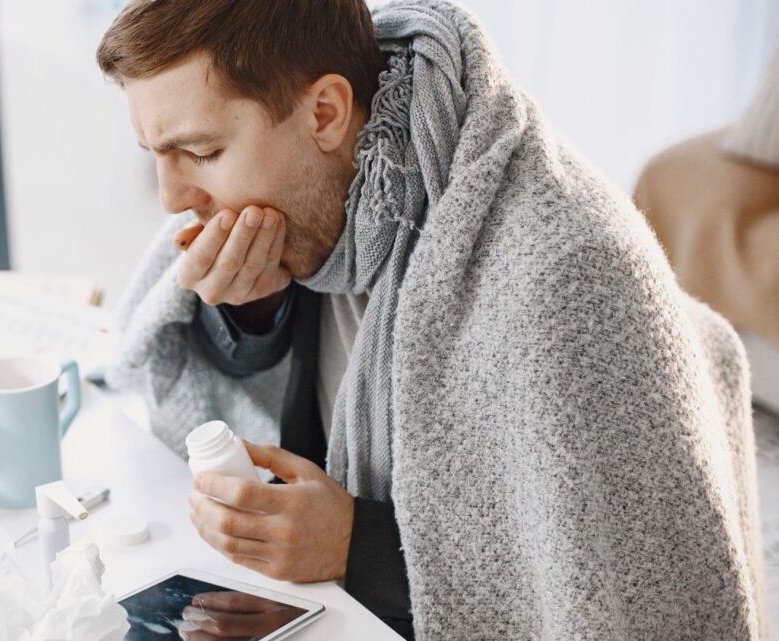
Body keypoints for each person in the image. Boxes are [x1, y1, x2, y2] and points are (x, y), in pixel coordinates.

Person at [97, 1, 769, 639]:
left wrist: (356, 544)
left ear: (325, 112)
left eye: (202, 153)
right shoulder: (310, 198)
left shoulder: (555, 276)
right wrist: (256, 303)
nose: (171, 198)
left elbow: (596, 592)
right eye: (154, 153)